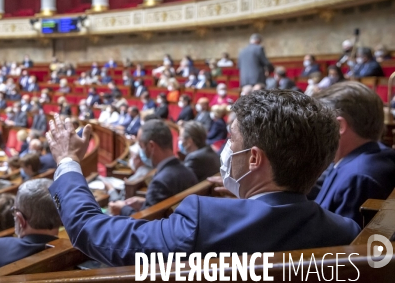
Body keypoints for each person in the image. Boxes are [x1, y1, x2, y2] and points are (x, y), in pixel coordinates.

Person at [45, 89, 361, 267]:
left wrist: (68, 161)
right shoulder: (346, 231)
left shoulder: (204, 219)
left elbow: (90, 230)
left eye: (231, 140)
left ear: (254, 159)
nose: (225, 148)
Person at [312, 82, 395, 226]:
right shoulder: (374, 154)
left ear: (339, 126)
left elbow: (344, 244)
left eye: (318, 125)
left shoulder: (358, 178)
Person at [108, 120, 198, 216]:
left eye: (141, 146)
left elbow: (145, 225)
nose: (141, 151)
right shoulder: (188, 173)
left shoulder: (160, 183)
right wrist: (145, 202)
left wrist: (123, 209)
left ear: (151, 146)